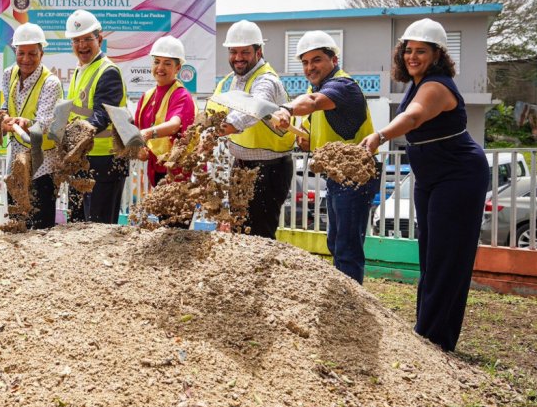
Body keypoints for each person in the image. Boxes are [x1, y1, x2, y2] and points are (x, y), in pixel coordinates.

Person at [359, 18, 488, 352]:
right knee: (430, 256)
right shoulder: (416, 84)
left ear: (437, 55)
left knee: (446, 258)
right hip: (430, 176)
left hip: (458, 175)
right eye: (408, 50)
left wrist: (381, 135)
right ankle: (427, 332)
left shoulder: (436, 86)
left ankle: (436, 338)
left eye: (421, 51)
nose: (412, 57)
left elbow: (414, 117)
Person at [270, 31, 376, 283]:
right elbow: (313, 132)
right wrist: (306, 139)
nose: (310, 67)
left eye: (316, 60)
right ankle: (343, 293)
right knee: (336, 242)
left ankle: (350, 299)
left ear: (334, 60)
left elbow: (314, 101)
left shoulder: (343, 86)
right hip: (337, 176)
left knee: (347, 247)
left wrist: (286, 109)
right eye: (305, 62)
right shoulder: (318, 88)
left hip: (355, 176)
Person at [206, 20, 295, 239]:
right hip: (241, 165)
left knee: (259, 236)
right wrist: (206, 133)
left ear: (258, 52)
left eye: (245, 52)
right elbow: (213, 112)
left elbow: (254, 108)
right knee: (240, 232)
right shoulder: (230, 82)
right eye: (233, 52)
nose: (238, 57)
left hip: (269, 169)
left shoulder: (266, 80)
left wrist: (225, 127)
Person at [63, 9, 128, 224]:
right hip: (82, 159)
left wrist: (72, 135)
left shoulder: (108, 71)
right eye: (76, 40)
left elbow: (102, 116)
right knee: (78, 225)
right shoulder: (80, 70)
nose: (82, 45)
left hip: (105, 161)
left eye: (87, 39)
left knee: (99, 229)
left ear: (99, 39)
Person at [1, 23, 64, 229]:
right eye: (21, 53)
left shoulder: (50, 83)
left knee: (40, 224)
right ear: (15, 52)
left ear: (41, 53)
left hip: (42, 162)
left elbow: (43, 123)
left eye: (32, 54)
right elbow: (5, 106)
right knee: (17, 220)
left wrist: (25, 123)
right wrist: (4, 117)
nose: (26, 59)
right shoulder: (9, 74)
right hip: (17, 158)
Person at [134, 36, 196, 189]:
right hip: (156, 172)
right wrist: (139, 149)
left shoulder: (181, 95)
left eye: (167, 63)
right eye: (157, 62)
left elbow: (174, 125)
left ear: (178, 68)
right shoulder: (147, 96)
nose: (160, 68)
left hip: (178, 174)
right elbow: (138, 130)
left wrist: (147, 133)